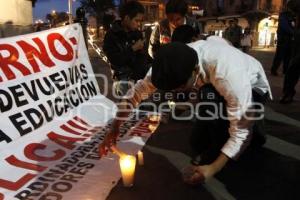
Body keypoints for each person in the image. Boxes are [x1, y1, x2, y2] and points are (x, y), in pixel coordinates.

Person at [99, 37, 272, 184]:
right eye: (171, 90)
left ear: (195, 71)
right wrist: (114, 128)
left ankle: (256, 127)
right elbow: (134, 94)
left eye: (180, 87)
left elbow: (240, 129)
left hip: (253, 85)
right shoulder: (166, 66)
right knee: (197, 143)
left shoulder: (227, 75)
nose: (175, 93)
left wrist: (212, 169)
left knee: (233, 134)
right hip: (210, 84)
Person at [103, 1, 150, 97]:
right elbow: (115, 60)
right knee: (128, 108)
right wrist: (133, 49)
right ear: (127, 18)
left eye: (140, 21)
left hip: (139, 77)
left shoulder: (137, 33)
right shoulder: (112, 35)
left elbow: (142, 57)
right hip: (122, 78)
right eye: (136, 21)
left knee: (145, 107)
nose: (138, 24)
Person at [280, 5, 300, 104]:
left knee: (291, 73)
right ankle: (288, 93)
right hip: (295, 52)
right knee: (291, 74)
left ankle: (288, 93)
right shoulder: (289, 17)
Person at [270, 2, 296, 76]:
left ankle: (285, 71)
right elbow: (285, 27)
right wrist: (294, 32)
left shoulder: (293, 16)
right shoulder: (283, 15)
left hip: (290, 39)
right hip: (283, 39)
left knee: (288, 56)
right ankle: (274, 70)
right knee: (280, 55)